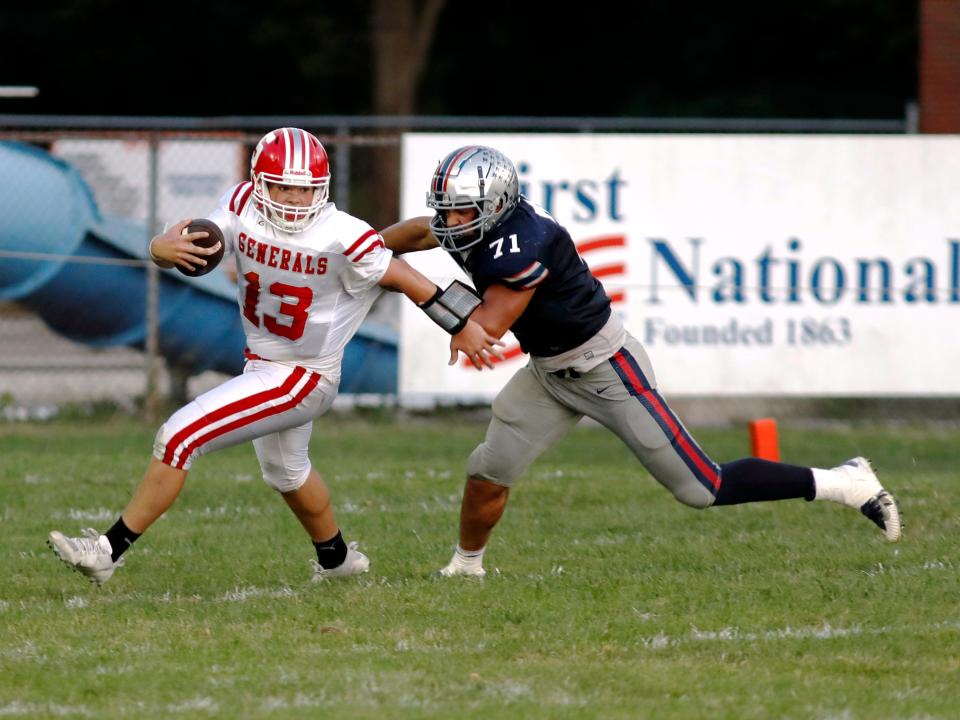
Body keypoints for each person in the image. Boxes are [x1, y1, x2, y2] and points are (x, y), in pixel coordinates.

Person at [381, 144, 903, 578]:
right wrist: (365, 248)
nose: (450, 222)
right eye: (445, 208)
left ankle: (843, 481)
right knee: (488, 469)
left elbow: (485, 329)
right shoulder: (471, 223)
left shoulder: (522, 244)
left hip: (606, 367)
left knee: (701, 487)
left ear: (495, 206)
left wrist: (406, 282)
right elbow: (420, 232)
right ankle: (466, 566)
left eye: (461, 212)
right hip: (548, 373)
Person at [48, 128, 502, 586]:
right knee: (286, 471)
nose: (293, 198)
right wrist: (159, 249)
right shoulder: (242, 203)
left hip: (305, 374)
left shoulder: (343, 233)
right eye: (283, 186)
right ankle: (337, 560)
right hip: (263, 364)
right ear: (259, 182)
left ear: (321, 190)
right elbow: (196, 246)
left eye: (305, 189)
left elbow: (403, 274)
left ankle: (108, 550)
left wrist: (461, 325)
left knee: (180, 435)